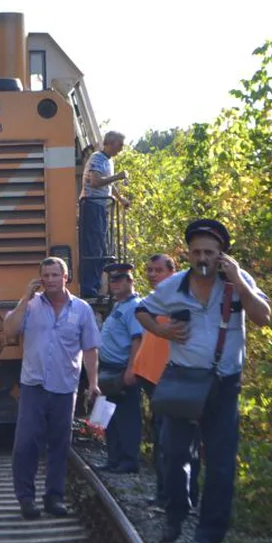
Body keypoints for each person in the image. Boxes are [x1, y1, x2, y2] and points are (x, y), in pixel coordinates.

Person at [135, 220, 271, 543]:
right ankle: (176, 514)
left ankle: (209, 533)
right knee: (175, 452)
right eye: (196, 252)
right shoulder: (175, 286)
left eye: (209, 252)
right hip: (183, 380)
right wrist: (162, 331)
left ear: (221, 254)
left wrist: (238, 280)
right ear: (188, 253)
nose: (202, 258)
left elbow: (263, 316)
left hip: (224, 384)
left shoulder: (238, 283)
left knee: (221, 461)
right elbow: (142, 311)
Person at [3, 256, 101, 519]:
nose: (50, 281)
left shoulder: (81, 310)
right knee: (26, 443)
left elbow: (90, 347)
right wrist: (25, 298)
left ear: (65, 277)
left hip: (64, 386)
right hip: (34, 384)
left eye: (55, 275)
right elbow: (10, 330)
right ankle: (26, 499)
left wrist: (93, 383)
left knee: (59, 445)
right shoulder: (31, 306)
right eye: (45, 276)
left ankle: (54, 498)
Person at [133, 254, 200, 508]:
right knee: (162, 439)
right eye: (149, 269)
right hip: (154, 381)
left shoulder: (181, 299)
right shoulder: (155, 301)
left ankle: (185, 495)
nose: (151, 274)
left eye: (158, 270)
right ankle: (165, 493)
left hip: (175, 381)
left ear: (173, 272)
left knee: (180, 442)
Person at [96, 263, 144, 474]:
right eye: (112, 279)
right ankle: (113, 458)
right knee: (111, 418)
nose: (114, 283)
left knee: (127, 418)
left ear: (130, 280)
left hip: (122, 369)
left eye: (119, 279)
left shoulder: (133, 307)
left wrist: (131, 369)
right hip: (109, 370)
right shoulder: (119, 305)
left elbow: (137, 339)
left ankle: (128, 460)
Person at [79, 131, 130, 298]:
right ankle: (90, 288)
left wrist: (121, 199)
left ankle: (96, 286)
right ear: (110, 143)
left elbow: (109, 183)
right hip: (92, 205)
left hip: (100, 207)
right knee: (95, 247)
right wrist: (118, 176)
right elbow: (96, 181)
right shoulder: (97, 158)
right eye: (120, 145)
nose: (121, 149)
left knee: (101, 247)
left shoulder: (108, 161)